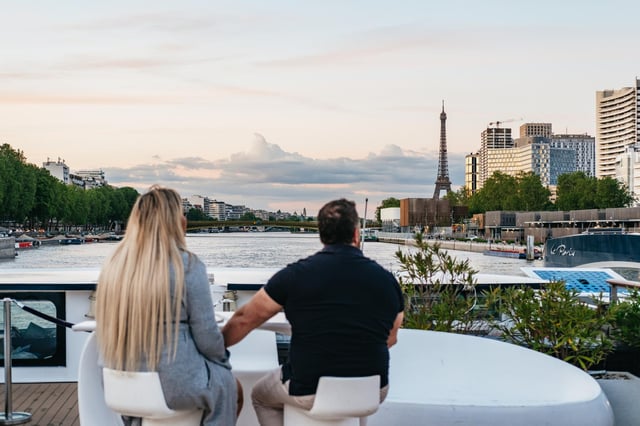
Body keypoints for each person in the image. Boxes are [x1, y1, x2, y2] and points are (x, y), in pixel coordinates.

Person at [222, 198, 404, 426]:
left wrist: (214, 348)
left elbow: (244, 320)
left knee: (260, 396)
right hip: (372, 388)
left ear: (321, 235)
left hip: (310, 388)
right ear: (356, 234)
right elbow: (392, 336)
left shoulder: (295, 276)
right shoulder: (387, 281)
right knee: (354, 400)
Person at [95, 185, 238, 425]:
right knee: (225, 384)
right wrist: (223, 359)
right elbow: (206, 337)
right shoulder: (186, 265)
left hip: (120, 382)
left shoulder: (114, 264)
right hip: (173, 384)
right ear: (176, 220)